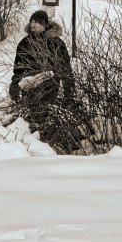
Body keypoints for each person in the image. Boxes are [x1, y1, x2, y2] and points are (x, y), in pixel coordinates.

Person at [10, 9, 77, 142]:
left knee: (46, 115)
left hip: (51, 85)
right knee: (32, 116)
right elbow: (18, 69)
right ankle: (34, 145)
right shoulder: (25, 43)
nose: (34, 25)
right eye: (32, 21)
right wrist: (14, 86)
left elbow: (66, 69)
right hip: (30, 86)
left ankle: (47, 144)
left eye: (37, 22)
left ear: (45, 24)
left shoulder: (56, 43)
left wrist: (69, 92)